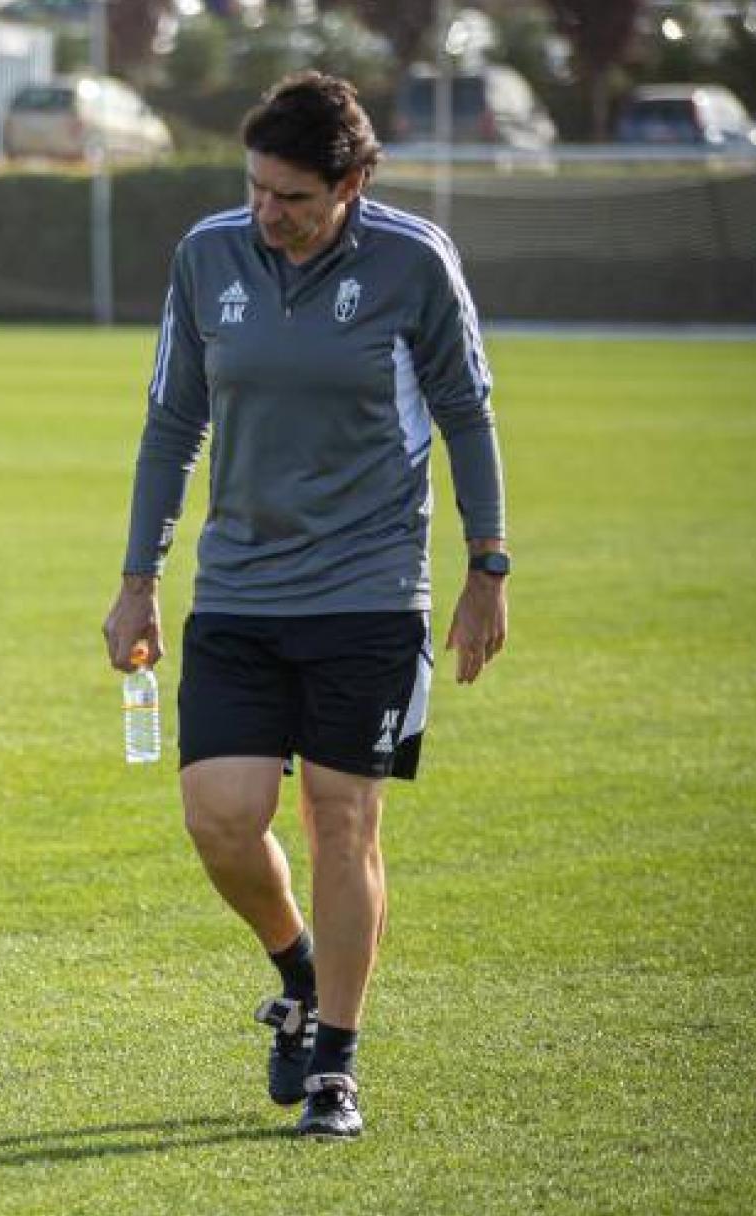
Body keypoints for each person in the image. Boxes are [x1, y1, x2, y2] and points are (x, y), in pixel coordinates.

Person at [101, 72, 510, 1140]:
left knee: (343, 819)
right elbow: (169, 424)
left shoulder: (413, 263)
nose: (268, 214)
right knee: (221, 818)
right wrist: (139, 576)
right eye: (257, 190)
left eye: (292, 196)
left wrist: (487, 565)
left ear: (353, 183)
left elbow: (467, 410)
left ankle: (335, 1061)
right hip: (237, 589)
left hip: (371, 594)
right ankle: (297, 966)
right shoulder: (209, 256)